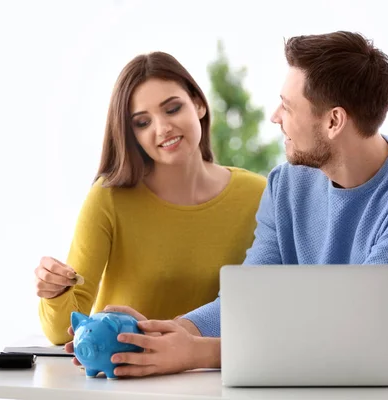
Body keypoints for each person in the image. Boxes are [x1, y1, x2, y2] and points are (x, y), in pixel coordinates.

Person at [90, 31, 388, 378]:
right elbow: (249, 299)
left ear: (333, 122)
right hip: (322, 385)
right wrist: (173, 333)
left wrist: (200, 353)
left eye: (287, 106)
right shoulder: (286, 185)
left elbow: (349, 329)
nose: (275, 117)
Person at [34, 51, 267, 345]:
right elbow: (62, 332)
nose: (162, 128)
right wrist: (54, 291)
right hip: (125, 378)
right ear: (131, 135)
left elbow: (265, 309)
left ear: (198, 104)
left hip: (216, 380)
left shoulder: (258, 195)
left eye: (172, 109)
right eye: (142, 123)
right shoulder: (110, 198)